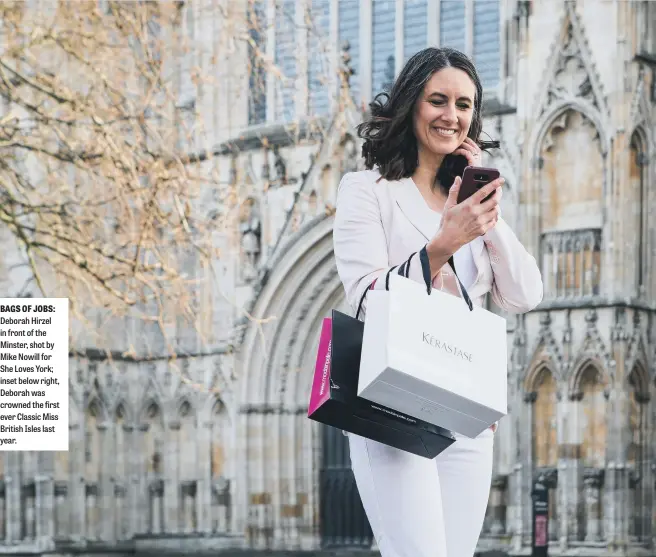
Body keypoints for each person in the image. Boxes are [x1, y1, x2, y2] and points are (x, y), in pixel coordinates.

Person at [332, 47, 543, 557]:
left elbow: (523, 294)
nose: (452, 115)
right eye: (439, 100)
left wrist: (483, 213)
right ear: (411, 105)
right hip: (389, 401)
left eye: (465, 104)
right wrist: (444, 243)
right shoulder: (367, 191)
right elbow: (365, 300)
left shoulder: (470, 205)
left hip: (465, 411)